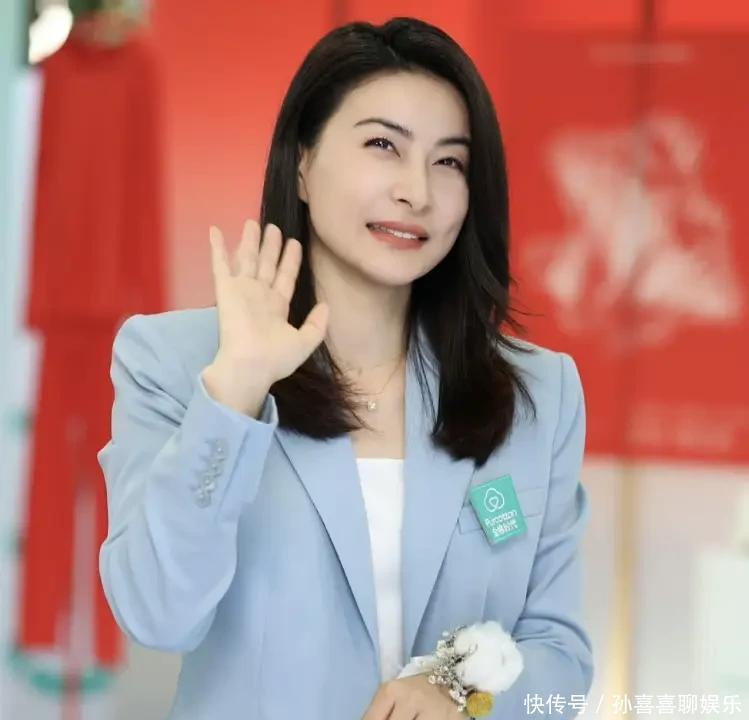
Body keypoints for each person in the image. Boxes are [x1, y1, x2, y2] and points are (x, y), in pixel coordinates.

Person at [97, 16, 594, 720]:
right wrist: (234, 393)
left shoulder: (537, 392)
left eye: (449, 162)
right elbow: (157, 614)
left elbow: (559, 655)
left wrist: (463, 693)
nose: (417, 191)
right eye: (383, 145)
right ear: (301, 163)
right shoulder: (174, 361)